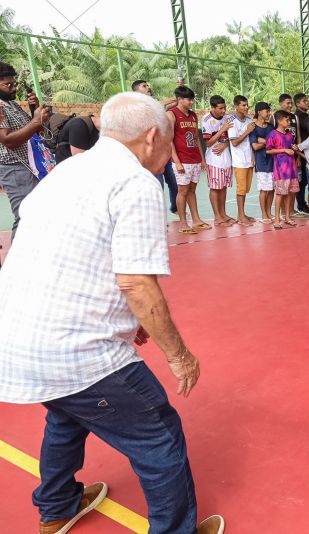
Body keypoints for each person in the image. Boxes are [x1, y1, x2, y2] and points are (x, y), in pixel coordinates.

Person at [0, 91, 224, 534]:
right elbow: (137, 281)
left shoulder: (67, 172)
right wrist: (179, 355)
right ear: (153, 135)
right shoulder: (136, 182)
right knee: (158, 433)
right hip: (77, 350)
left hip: (17, 338)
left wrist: (131, 317)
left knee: (66, 414)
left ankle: (58, 507)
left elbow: (76, 254)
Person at [0, 62, 50, 240]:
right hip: (15, 168)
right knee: (25, 216)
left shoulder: (10, 104)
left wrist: (33, 110)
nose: (13, 88)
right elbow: (8, 140)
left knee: (37, 213)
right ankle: (17, 265)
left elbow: (33, 132)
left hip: (30, 165)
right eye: (8, 85)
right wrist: (36, 121)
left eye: (14, 84)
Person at [167, 85, 209, 235]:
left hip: (195, 159)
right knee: (183, 191)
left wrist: (202, 159)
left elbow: (197, 138)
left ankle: (196, 220)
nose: (191, 102)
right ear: (179, 99)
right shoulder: (172, 114)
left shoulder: (192, 115)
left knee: (192, 190)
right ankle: (183, 223)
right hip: (182, 159)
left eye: (192, 99)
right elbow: (169, 139)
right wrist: (176, 161)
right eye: (188, 99)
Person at [132, 78, 178, 213]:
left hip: (163, 152)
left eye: (147, 85)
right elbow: (167, 102)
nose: (148, 87)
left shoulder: (156, 106)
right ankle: (157, 217)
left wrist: (179, 90)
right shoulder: (138, 106)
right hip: (150, 155)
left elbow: (176, 102)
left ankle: (174, 208)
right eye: (144, 86)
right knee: (157, 187)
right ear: (136, 92)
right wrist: (175, 96)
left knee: (174, 183)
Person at [201, 95, 235, 226]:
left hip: (226, 158)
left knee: (224, 187)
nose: (223, 111)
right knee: (215, 188)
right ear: (213, 107)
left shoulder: (227, 118)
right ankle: (217, 217)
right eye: (220, 108)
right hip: (214, 159)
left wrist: (225, 145)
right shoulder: (206, 119)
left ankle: (223, 214)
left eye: (224, 107)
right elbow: (208, 143)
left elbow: (231, 139)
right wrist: (222, 130)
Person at [265, 110, 299, 228]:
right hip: (281, 170)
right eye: (287, 120)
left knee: (289, 193)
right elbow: (268, 150)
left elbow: (290, 146)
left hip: (291, 168)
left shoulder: (290, 134)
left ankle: (287, 217)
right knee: (280, 194)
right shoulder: (273, 134)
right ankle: (277, 219)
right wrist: (284, 150)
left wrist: (293, 147)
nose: (289, 122)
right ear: (279, 121)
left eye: (289, 120)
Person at [229, 95, 256, 226]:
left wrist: (254, 157)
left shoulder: (249, 120)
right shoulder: (231, 121)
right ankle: (240, 216)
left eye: (247, 105)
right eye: (243, 105)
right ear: (236, 106)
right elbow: (234, 142)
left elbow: (251, 142)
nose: (246, 107)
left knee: (246, 189)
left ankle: (243, 214)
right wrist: (247, 131)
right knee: (241, 189)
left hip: (249, 160)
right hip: (239, 161)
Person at [249, 102, 275, 223]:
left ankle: (269, 212)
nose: (268, 113)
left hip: (272, 161)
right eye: (266, 111)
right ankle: (264, 214)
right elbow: (255, 146)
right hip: (261, 162)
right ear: (259, 112)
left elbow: (274, 142)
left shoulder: (270, 127)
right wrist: (267, 142)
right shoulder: (253, 127)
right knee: (264, 190)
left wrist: (262, 141)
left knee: (271, 189)